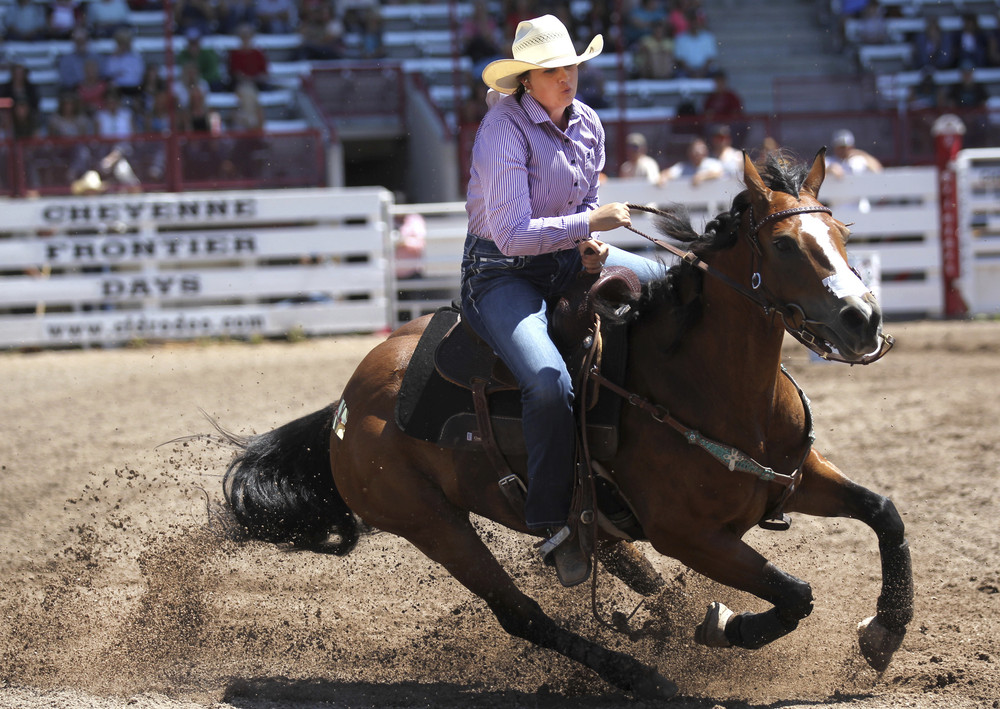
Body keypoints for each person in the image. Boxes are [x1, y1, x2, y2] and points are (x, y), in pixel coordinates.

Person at [464, 15, 667, 587]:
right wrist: (589, 222)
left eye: (571, 65)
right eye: (552, 69)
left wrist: (593, 245)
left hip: (566, 263)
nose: (566, 77)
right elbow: (509, 234)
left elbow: (587, 207)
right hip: (501, 276)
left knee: (670, 282)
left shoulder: (589, 124)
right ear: (527, 78)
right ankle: (552, 524)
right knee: (549, 381)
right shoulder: (501, 130)